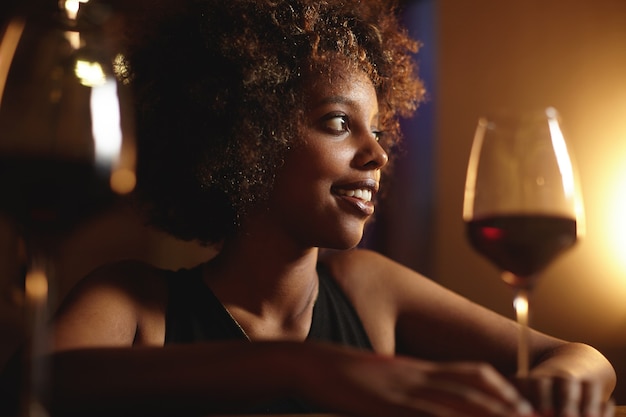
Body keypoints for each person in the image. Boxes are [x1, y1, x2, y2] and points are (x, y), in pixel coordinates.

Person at [3, 0, 617, 416]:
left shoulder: (368, 289)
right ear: (246, 135)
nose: (377, 153)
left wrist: (560, 389)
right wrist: (298, 369)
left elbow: (581, 357)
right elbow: (38, 382)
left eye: (377, 129)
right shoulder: (136, 302)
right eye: (339, 123)